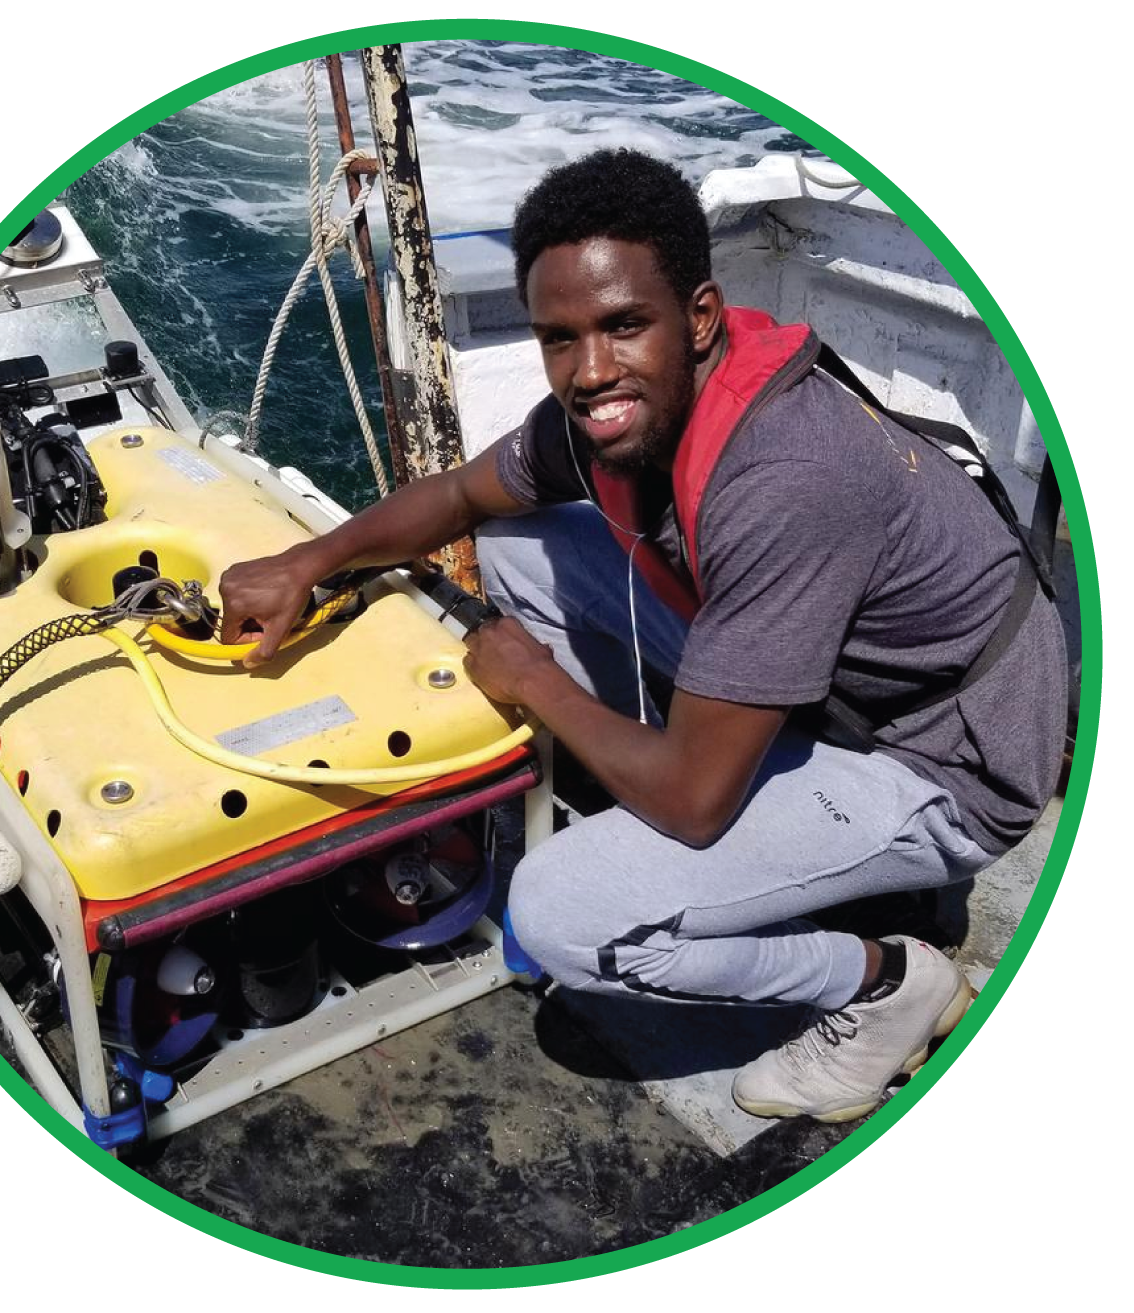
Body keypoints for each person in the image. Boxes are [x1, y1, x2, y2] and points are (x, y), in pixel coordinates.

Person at [218, 148, 1068, 1123]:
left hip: (946, 757)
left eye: (625, 325)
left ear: (701, 317)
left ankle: (885, 985)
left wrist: (540, 683)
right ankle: (724, 792)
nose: (590, 371)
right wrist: (306, 564)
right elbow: (459, 493)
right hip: (832, 681)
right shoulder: (609, 413)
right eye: (559, 338)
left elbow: (696, 801)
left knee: (562, 909)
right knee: (521, 543)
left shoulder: (783, 477)